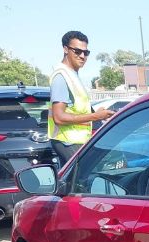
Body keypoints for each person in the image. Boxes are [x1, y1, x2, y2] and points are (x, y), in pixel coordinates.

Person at [48, 30, 113, 165]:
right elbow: (59, 117)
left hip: (77, 141)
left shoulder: (73, 75)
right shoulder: (62, 76)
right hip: (68, 142)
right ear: (66, 49)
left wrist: (97, 113)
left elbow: (76, 109)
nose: (82, 56)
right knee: (78, 183)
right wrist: (96, 117)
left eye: (86, 52)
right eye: (77, 51)